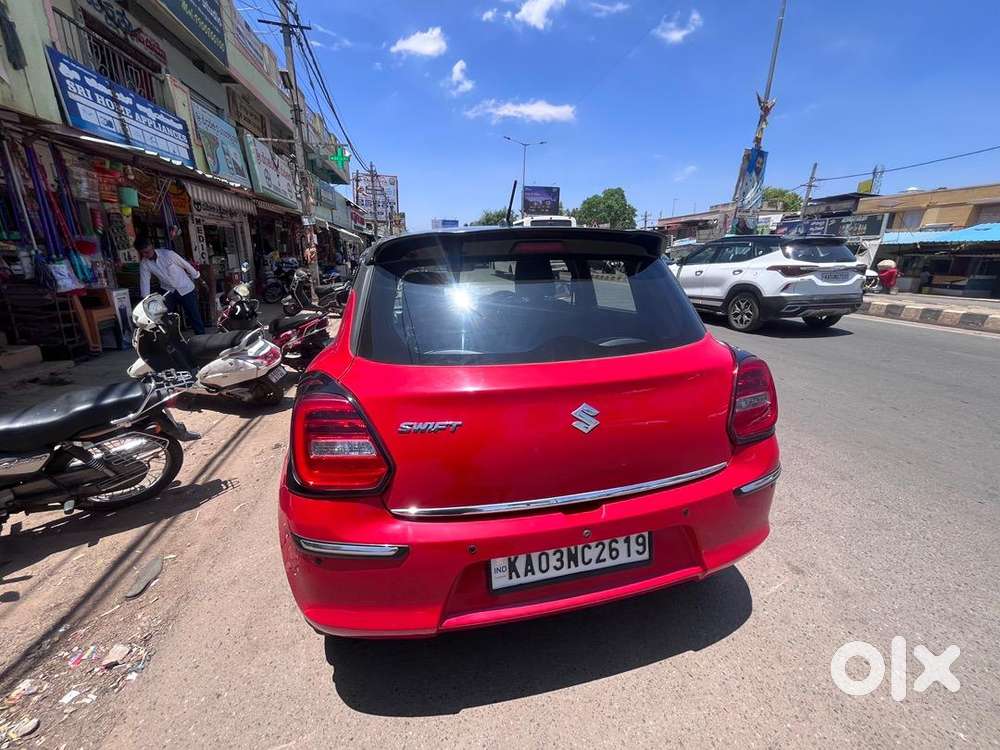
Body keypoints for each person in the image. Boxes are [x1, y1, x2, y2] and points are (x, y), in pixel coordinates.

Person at [136, 236, 205, 335]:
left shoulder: (169, 255)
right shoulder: (144, 264)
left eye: (147, 252)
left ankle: (201, 338)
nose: (145, 255)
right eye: (142, 253)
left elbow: (187, 266)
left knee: (194, 315)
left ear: (151, 247)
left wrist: (200, 280)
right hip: (168, 291)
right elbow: (144, 282)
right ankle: (170, 340)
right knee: (162, 316)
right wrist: (145, 300)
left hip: (186, 288)